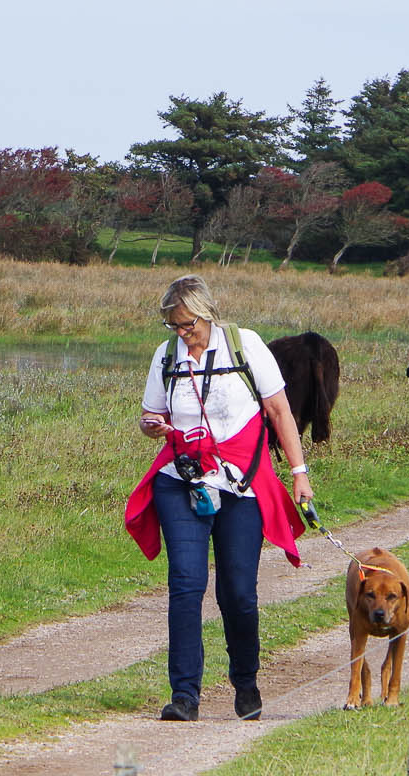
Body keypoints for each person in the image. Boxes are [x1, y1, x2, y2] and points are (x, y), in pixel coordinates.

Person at [124, 275, 313, 722]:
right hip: (181, 480)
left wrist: (299, 473)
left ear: (206, 314)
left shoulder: (244, 345)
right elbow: (152, 413)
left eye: (187, 324)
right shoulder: (166, 355)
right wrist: (151, 425)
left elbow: (279, 411)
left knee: (239, 593)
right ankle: (184, 696)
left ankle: (246, 683)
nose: (181, 333)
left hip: (241, 484)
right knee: (185, 586)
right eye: (173, 325)